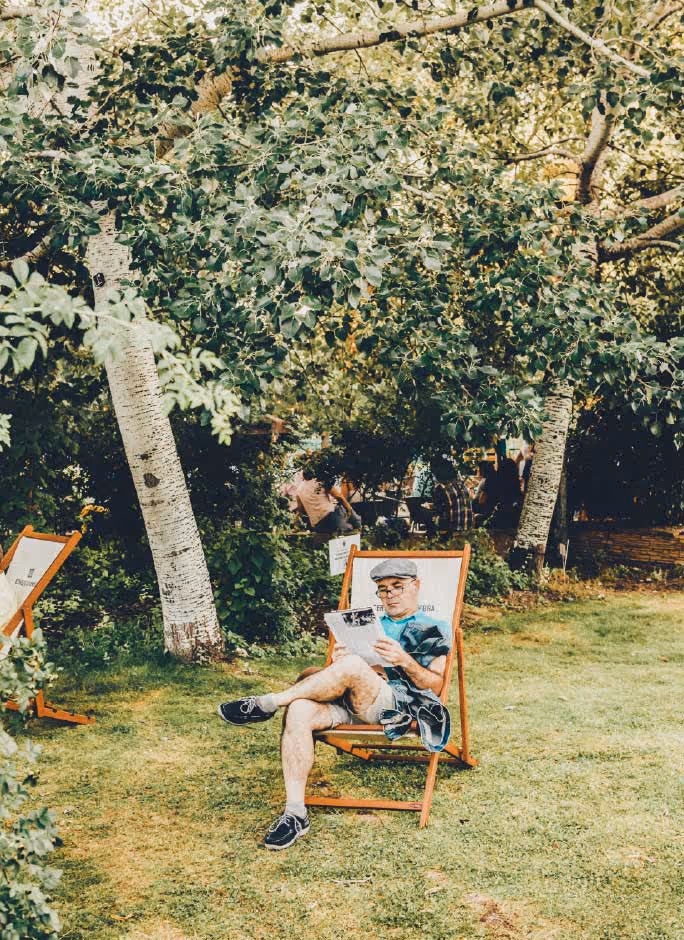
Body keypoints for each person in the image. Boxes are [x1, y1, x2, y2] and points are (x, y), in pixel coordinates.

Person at [217, 559, 452, 850]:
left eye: (397, 587)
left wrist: (404, 659)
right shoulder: (373, 624)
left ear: (415, 586)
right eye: (382, 590)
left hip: (394, 704)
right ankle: (295, 813)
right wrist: (337, 661)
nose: (389, 594)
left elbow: (437, 686)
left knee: (351, 666)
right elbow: (337, 676)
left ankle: (268, 703)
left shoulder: (435, 627)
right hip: (350, 700)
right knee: (300, 709)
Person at [295, 468, 360, 534]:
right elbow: (339, 497)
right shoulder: (320, 482)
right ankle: (356, 525)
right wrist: (353, 515)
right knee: (341, 509)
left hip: (317, 525)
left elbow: (301, 510)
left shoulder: (299, 490)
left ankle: (347, 527)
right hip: (331, 518)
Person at [431, 457, 473, 533]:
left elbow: (438, 511)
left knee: (430, 518)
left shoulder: (440, 488)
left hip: (451, 530)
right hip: (467, 529)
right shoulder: (461, 485)